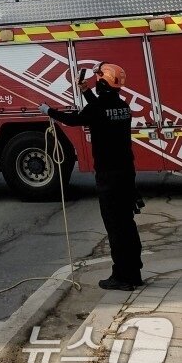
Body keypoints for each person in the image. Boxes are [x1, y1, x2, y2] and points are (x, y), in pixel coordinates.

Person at [40, 63, 143, 291]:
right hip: (126, 174)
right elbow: (100, 110)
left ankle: (123, 277)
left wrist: (49, 111)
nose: (96, 82)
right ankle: (134, 272)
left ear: (104, 82)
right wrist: (85, 90)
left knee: (115, 227)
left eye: (98, 79)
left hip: (108, 177)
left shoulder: (98, 109)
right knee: (127, 224)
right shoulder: (123, 107)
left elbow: (75, 119)